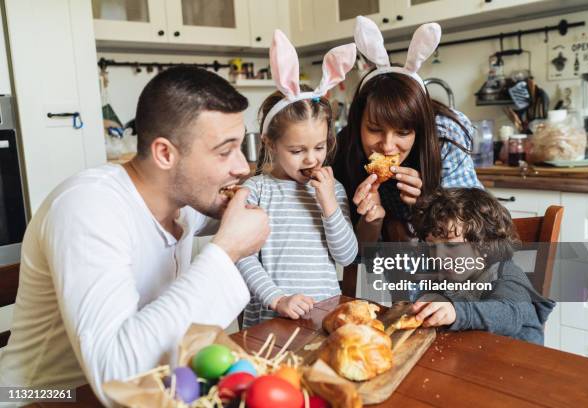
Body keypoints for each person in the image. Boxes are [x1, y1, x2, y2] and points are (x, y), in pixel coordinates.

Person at [0, 66, 270, 405]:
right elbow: (114, 376)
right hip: (43, 398)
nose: (242, 166)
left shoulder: (180, 200)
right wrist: (227, 250)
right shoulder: (88, 208)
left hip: (150, 389)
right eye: (224, 151)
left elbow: (240, 207)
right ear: (165, 154)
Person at [237, 31, 358, 327]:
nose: (311, 159)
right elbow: (241, 255)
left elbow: (347, 256)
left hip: (324, 313)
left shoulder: (332, 189)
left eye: (319, 147)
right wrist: (278, 299)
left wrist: (328, 203)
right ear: (269, 144)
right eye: (297, 150)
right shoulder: (256, 191)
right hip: (272, 316)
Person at [332, 17, 483, 243]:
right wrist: (372, 220)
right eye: (374, 129)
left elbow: (476, 234)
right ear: (357, 123)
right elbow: (359, 255)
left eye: (403, 132)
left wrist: (430, 205)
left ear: (420, 128)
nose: (388, 146)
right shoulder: (345, 148)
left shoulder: (445, 135)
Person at [408, 188, 555, 344]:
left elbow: (510, 314)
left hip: (518, 361)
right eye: (432, 246)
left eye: (450, 246)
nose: (438, 255)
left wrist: (456, 312)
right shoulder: (448, 271)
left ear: (485, 244)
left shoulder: (506, 276)